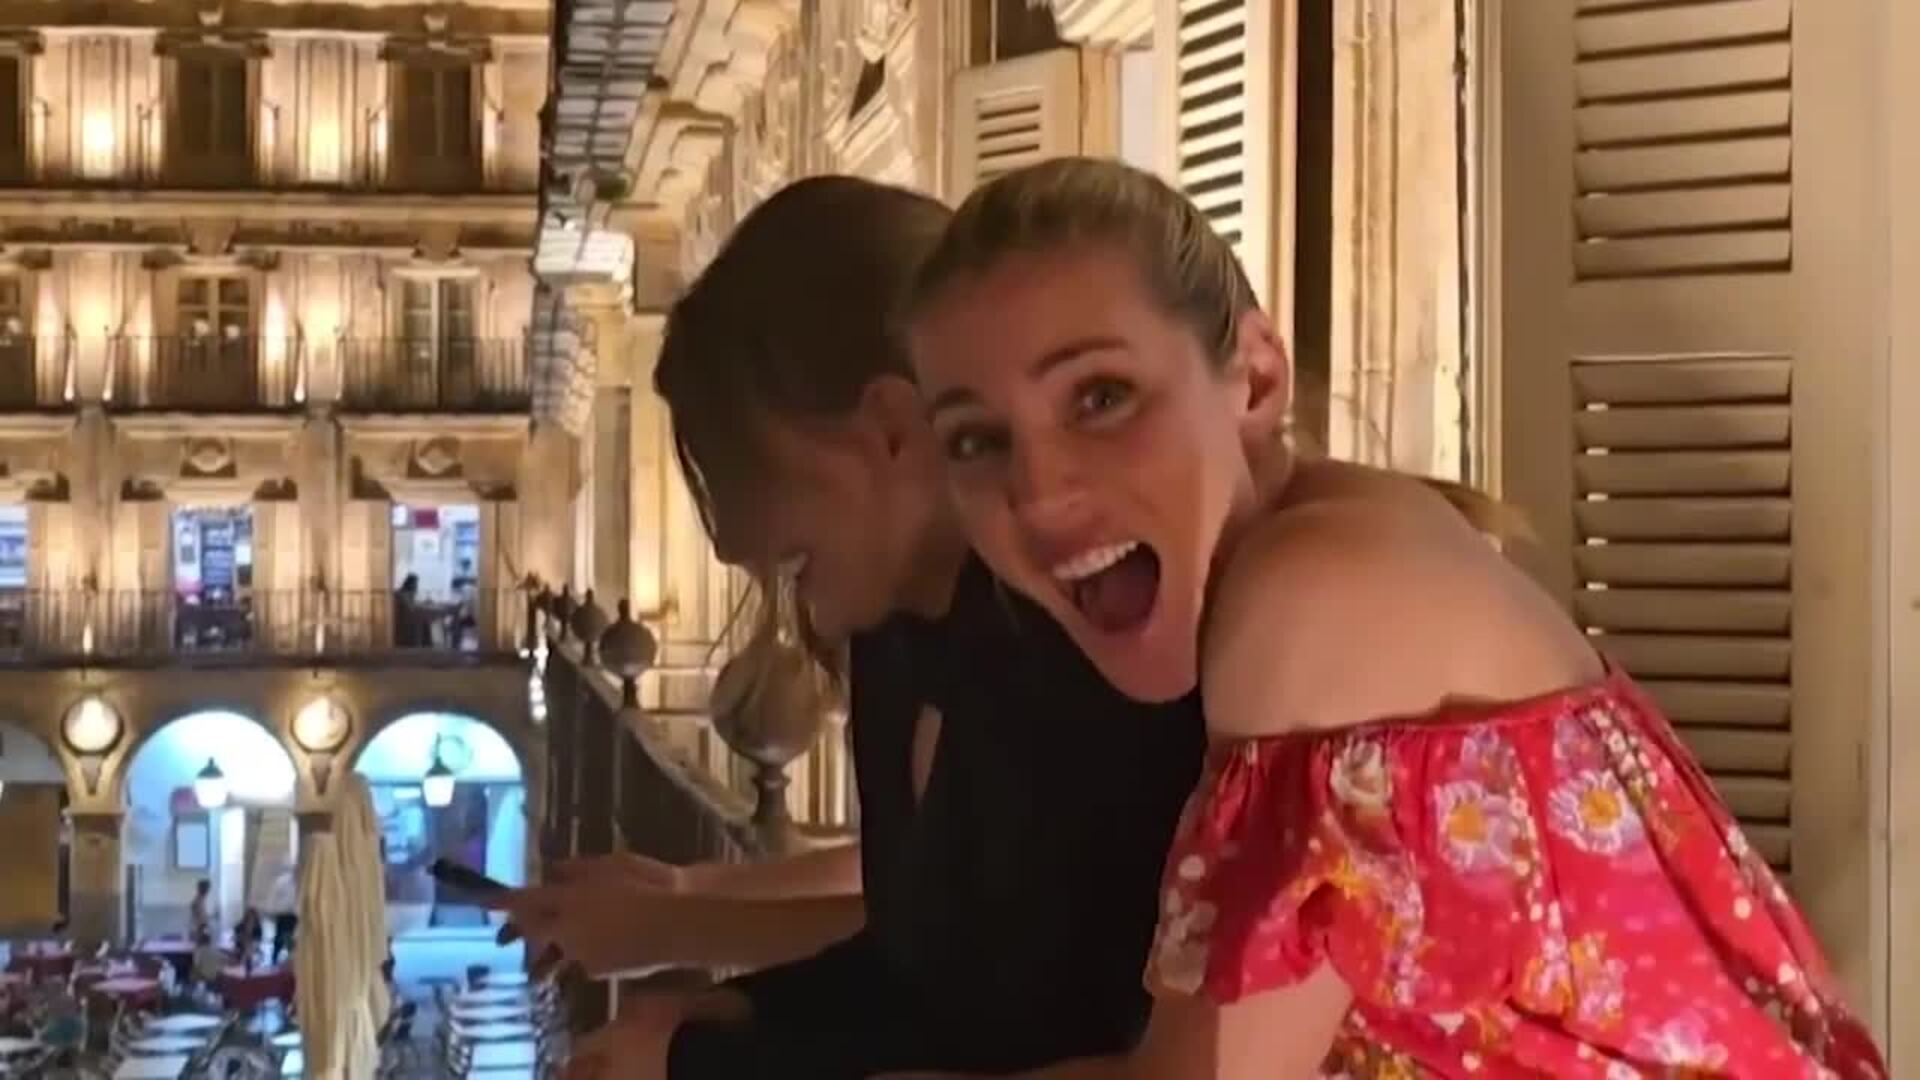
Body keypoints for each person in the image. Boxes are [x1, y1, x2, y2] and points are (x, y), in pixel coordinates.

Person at [894, 157, 1886, 1077]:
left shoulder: (1310, 597)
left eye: (1101, 397)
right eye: (977, 440)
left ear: (1255, 378)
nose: (1038, 492)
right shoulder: (1337, 545)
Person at [493, 176, 1207, 1080]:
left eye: (740, 463)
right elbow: (921, 959)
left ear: (892, 429)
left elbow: (1039, 1021)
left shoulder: (1092, 655)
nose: (730, 539)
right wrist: (722, 1011)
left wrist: (699, 1046)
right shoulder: (903, 643)